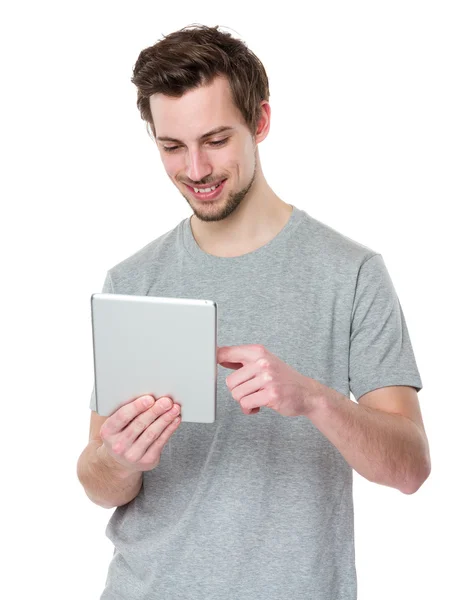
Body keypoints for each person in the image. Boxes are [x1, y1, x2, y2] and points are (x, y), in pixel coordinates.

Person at [76, 24, 431, 600]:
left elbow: (410, 468)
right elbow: (96, 480)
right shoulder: (133, 282)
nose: (194, 169)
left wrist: (314, 399)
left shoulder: (352, 273)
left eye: (215, 140)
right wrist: (118, 460)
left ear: (260, 122)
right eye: (172, 147)